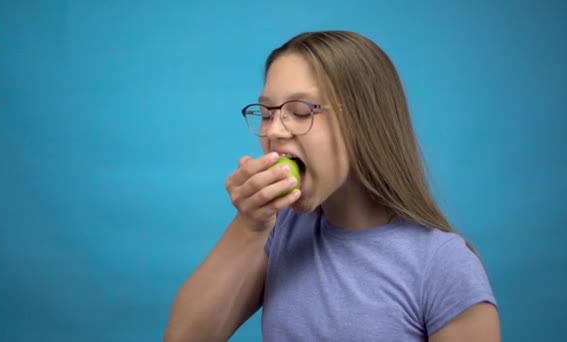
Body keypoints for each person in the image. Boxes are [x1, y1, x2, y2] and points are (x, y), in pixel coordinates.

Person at [164, 30, 500, 341]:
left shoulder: (443, 264)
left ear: (364, 122)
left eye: (299, 111)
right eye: (267, 113)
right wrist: (249, 224)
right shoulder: (280, 230)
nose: (274, 132)